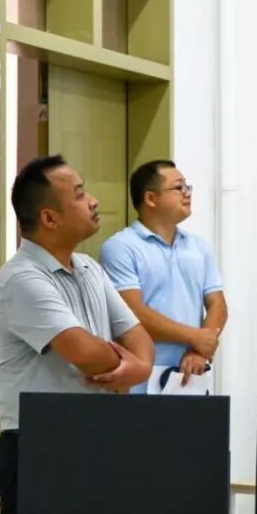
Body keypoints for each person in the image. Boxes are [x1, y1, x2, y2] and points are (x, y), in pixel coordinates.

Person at [0, 155, 154, 514]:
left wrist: (141, 367)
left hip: (97, 435)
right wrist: (132, 366)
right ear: (49, 218)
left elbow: (140, 338)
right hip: (39, 444)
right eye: (80, 195)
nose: (93, 201)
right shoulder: (22, 278)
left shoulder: (90, 268)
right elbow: (85, 354)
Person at [100, 160, 227, 394]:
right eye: (179, 187)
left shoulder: (199, 247)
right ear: (151, 198)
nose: (187, 193)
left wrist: (199, 349)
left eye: (187, 187)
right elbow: (132, 313)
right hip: (142, 380)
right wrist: (196, 337)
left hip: (191, 376)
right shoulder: (120, 247)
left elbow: (217, 305)